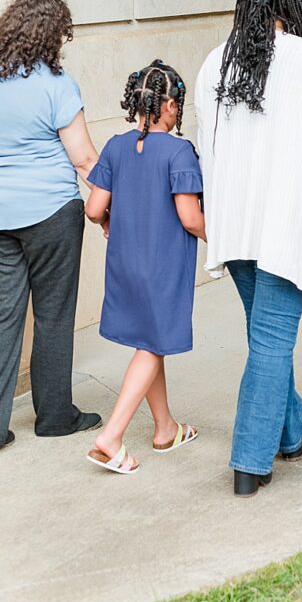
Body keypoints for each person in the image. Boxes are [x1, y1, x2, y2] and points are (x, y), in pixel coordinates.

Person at [195, 0, 302, 497]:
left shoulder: (216, 62)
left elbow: (209, 149)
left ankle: (294, 429)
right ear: (294, 2)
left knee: (266, 335)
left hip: (235, 223)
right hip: (284, 223)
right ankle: (249, 460)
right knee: (270, 339)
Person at [0, 0, 103, 454]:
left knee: (1, 315)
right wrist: (110, 203)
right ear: (52, 35)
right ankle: (56, 417)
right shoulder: (57, 84)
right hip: (50, 213)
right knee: (53, 315)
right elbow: (83, 158)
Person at [83, 60, 205, 475]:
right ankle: (110, 438)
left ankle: (165, 428)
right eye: (177, 105)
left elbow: (94, 207)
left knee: (148, 340)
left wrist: (109, 222)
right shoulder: (178, 151)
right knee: (153, 343)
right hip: (163, 264)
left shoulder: (116, 145)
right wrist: (222, 239)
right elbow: (189, 217)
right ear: (169, 105)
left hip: (125, 263)